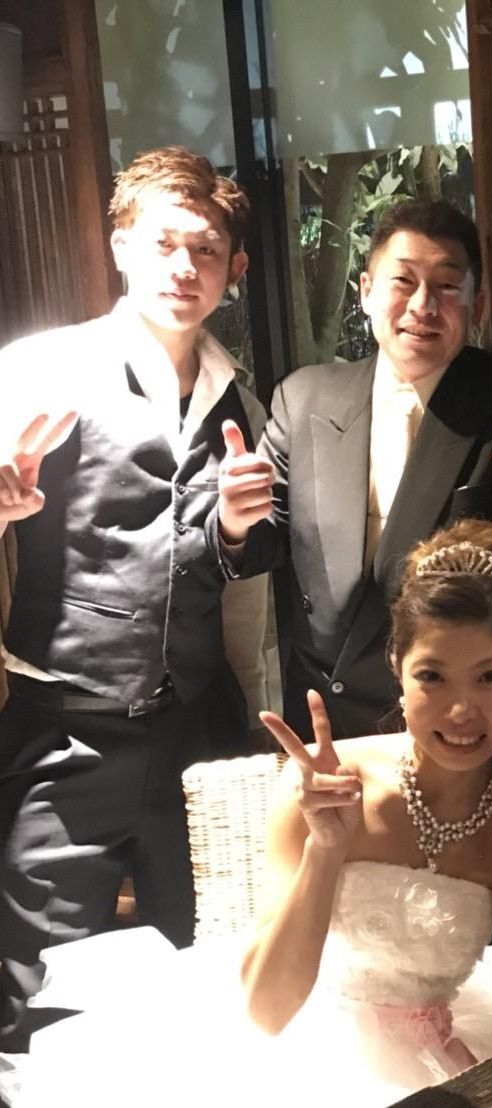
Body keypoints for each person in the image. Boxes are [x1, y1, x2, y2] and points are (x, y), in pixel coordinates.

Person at [0, 521, 492, 1108]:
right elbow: (267, 1010)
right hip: (296, 1056)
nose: (460, 711)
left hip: (439, 1061)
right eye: (433, 676)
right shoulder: (329, 783)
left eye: (490, 677)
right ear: (397, 670)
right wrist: (325, 849)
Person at [0, 146, 269, 1052]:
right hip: (65, 733)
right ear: (120, 247)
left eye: (206, 250)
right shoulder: (39, 369)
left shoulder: (239, 396)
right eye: (162, 244)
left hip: (194, 729)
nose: (183, 267)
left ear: (234, 268)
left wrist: (233, 533)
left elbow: (234, 582)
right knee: (40, 994)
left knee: (209, 973)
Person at [213, 199, 492, 741]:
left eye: (447, 285)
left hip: (456, 721)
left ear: (478, 306)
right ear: (365, 292)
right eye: (403, 281)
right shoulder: (303, 398)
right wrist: (234, 521)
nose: (423, 305)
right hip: (325, 719)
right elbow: (263, 546)